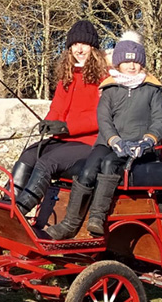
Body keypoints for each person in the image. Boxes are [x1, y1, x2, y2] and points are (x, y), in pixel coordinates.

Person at [44, 31, 162, 240]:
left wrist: (148, 140)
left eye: (136, 62)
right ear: (118, 64)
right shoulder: (110, 88)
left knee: (110, 163)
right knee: (87, 169)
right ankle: (70, 223)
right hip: (109, 142)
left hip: (139, 146)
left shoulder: (151, 90)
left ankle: (96, 218)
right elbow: (104, 118)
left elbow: (161, 120)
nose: (131, 66)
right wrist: (114, 140)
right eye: (127, 62)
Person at [10, 20, 110, 216]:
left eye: (84, 44)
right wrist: (48, 123)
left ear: (93, 48)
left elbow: (101, 116)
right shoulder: (68, 75)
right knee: (30, 154)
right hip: (63, 139)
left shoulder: (104, 78)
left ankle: (19, 211)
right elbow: (57, 107)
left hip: (88, 142)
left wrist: (67, 127)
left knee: (48, 162)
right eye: (74, 45)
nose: (78, 49)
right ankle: (7, 201)